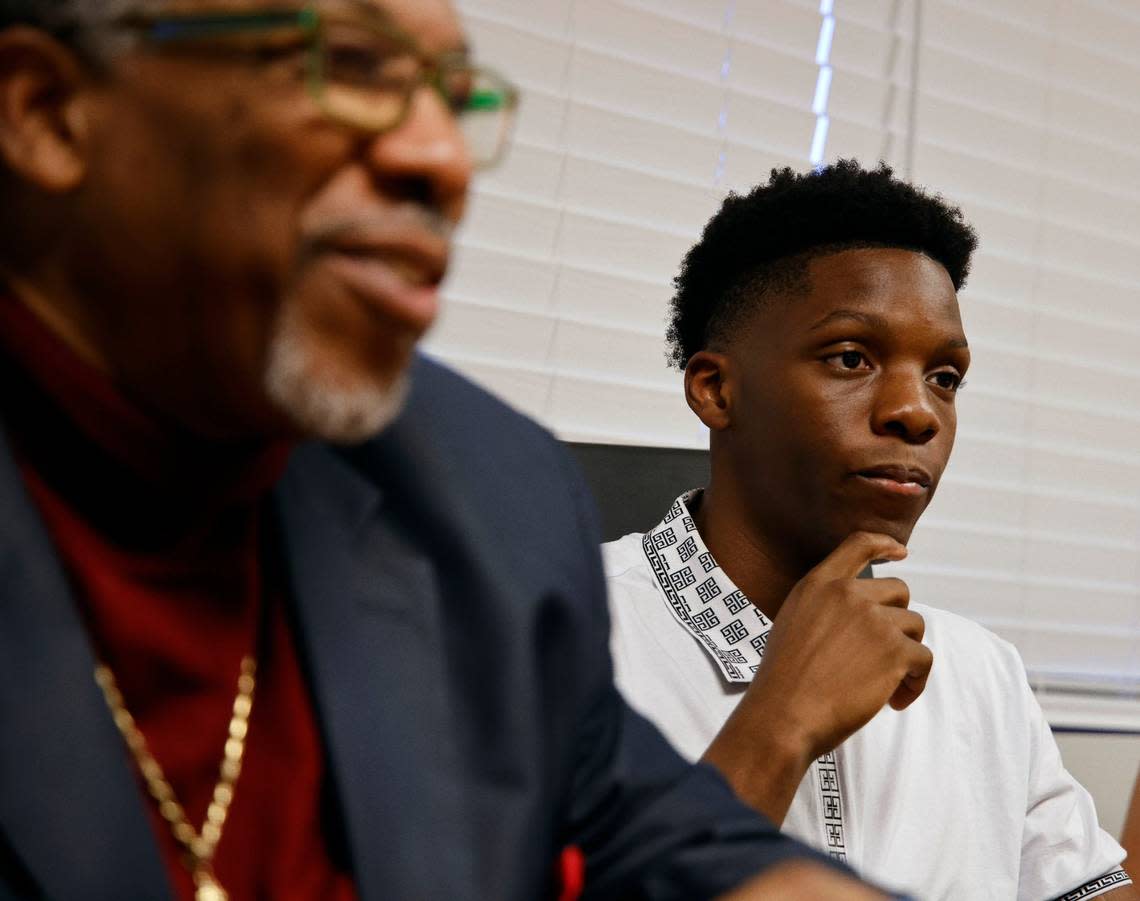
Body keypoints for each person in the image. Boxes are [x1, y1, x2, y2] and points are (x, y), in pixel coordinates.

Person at [0, 2, 890, 899]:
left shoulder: (488, 492)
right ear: (46, 111)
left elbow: (652, 838)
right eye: (350, 66)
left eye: (452, 96)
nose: (441, 158)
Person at [603, 161, 1136, 900]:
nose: (917, 412)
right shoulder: (561, 632)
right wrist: (781, 719)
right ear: (716, 388)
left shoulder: (979, 670)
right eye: (851, 357)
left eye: (945, 377)